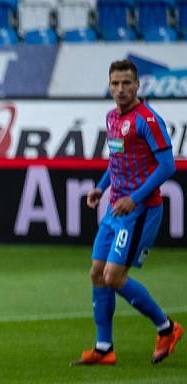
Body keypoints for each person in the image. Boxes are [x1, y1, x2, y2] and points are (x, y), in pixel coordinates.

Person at [74, 59, 182, 366]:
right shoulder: (112, 118)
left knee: (114, 276)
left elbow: (167, 166)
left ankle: (167, 327)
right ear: (109, 86)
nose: (120, 89)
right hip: (115, 209)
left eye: (126, 83)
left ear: (137, 86)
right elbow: (117, 161)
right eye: (115, 83)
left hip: (140, 211)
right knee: (97, 273)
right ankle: (104, 347)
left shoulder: (147, 120)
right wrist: (101, 187)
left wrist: (134, 198)